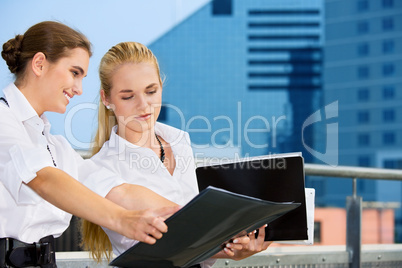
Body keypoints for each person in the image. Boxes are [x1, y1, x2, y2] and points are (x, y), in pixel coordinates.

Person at [0, 21, 179, 268]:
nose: (80, 90)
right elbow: (43, 179)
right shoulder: (3, 121)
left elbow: (116, 189)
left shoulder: (54, 145)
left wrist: (193, 219)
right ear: (39, 64)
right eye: (75, 73)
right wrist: (123, 220)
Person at [81, 42, 271, 267]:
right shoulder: (102, 167)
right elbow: (170, 242)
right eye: (127, 96)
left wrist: (237, 247)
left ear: (161, 86)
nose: (144, 105)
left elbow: (198, 235)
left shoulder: (180, 143)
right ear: (107, 99)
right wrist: (229, 245)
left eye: (151, 91)